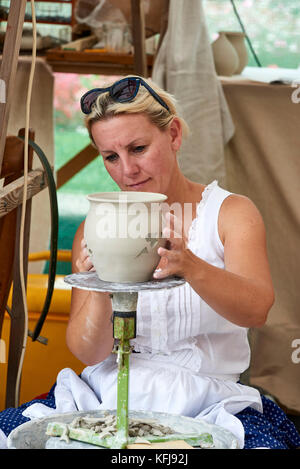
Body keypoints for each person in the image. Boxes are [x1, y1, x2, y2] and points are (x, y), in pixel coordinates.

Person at [0, 76, 299, 450]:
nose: (127, 170)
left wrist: (191, 265)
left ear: (173, 134)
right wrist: (100, 289)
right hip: (106, 397)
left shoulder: (230, 214)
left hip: (209, 403)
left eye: (138, 148)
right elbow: (88, 352)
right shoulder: (96, 230)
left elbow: (257, 309)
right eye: (111, 156)